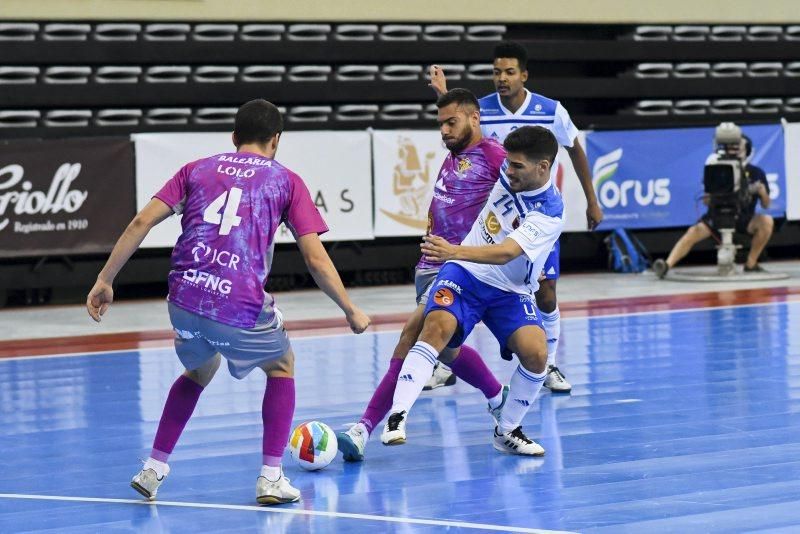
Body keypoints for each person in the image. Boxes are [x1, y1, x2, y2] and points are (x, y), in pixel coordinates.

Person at [85, 99, 370, 505]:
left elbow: (140, 222)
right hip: (236, 301)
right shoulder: (285, 180)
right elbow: (314, 257)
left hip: (183, 296)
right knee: (281, 365)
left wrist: (105, 279)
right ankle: (271, 477)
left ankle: (153, 468)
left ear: (234, 138)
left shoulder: (196, 168)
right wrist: (349, 308)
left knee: (199, 370)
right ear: (276, 140)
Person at [337, 89, 509, 461]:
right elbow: (463, 114)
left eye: (452, 122)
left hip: (458, 266)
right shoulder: (457, 151)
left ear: (475, 119)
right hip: (429, 263)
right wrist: (446, 95)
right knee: (447, 351)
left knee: (410, 337)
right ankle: (498, 397)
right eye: (441, 124)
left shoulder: (495, 155)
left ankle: (364, 427)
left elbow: (522, 196)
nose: (444, 131)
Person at [427, 41, 603, 393]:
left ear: (524, 74)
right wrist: (444, 94)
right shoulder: (483, 109)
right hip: (494, 217)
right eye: (496, 72)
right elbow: (458, 123)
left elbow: (575, 149)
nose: (501, 78)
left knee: (547, 293)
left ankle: (548, 363)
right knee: (467, 286)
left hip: (535, 218)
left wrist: (591, 199)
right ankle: (446, 362)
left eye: (509, 72)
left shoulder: (550, 110)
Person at [382, 125, 564, 455]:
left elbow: (508, 252)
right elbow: (469, 130)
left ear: (544, 167)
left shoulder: (550, 211)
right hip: (466, 273)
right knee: (435, 327)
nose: (508, 171)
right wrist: (447, 100)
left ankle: (507, 429)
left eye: (517, 166)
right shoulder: (509, 173)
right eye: (508, 163)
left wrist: (452, 250)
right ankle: (397, 416)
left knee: (536, 354)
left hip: (508, 289)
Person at [653, 134, 773, 277]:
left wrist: (762, 192)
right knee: (693, 231)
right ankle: (666, 265)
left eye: (739, 148)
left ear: (747, 150)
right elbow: (705, 201)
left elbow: (766, 205)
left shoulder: (756, 173)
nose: (735, 151)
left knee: (766, 221)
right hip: (717, 216)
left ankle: (751, 263)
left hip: (743, 218)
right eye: (732, 148)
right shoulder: (716, 169)